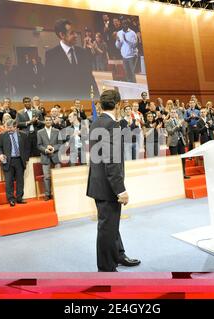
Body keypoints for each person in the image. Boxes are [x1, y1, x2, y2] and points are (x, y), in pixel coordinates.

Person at [86, 89, 140, 272]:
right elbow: (112, 161)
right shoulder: (113, 125)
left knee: (111, 225)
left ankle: (118, 255)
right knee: (107, 228)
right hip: (108, 186)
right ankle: (106, 268)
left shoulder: (96, 123)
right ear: (117, 105)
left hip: (98, 183)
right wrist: (120, 189)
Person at [44, 19, 99, 100]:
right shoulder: (51, 55)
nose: (76, 35)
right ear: (62, 35)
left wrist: (97, 99)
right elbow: (50, 84)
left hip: (85, 101)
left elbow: (90, 79)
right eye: (72, 33)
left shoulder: (82, 53)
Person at [0, 119, 30, 207]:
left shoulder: (23, 135)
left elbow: (27, 148)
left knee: (20, 180)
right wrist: (0, 155)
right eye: (7, 127)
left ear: (15, 127)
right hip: (8, 161)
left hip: (19, 160)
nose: (8, 129)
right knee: (9, 181)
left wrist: (26, 159)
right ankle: (11, 199)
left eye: (10, 127)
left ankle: (19, 198)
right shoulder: (2, 136)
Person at [37, 116, 62, 200]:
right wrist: (46, 150)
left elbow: (60, 143)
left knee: (58, 176)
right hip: (45, 156)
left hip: (56, 156)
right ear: (44, 121)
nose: (48, 121)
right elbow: (39, 145)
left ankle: (59, 193)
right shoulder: (39, 132)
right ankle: (47, 194)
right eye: (46, 120)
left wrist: (53, 148)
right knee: (47, 177)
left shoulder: (57, 131)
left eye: (49, 120)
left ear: (52, 121)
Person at [165, 108, 188, 178]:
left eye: (174, 112)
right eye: (171, 112)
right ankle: (175, 175)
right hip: (173, 142)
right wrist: (177, 126)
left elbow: (184, 132)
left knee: (183, 158)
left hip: (181, 141)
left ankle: (183, 173)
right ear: (169, 113)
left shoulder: (179, 121)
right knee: (174, 159)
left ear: (176, 113)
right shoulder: (167, 122)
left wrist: (181, 127)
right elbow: (170, 132)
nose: (173, 113)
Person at [115, 17, 138, 83]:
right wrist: (118, 41)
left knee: (133, 74)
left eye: (126, 24)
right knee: (127, 74)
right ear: (122, 24)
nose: (125, 25)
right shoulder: (119, 33)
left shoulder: (132, 33)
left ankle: (135, 88)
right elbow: (117, 46)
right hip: (124, 57)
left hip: (132, 57)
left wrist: (126, 40)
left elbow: (134, 45)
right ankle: (130, 89)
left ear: (128, 25)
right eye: (123, 24)